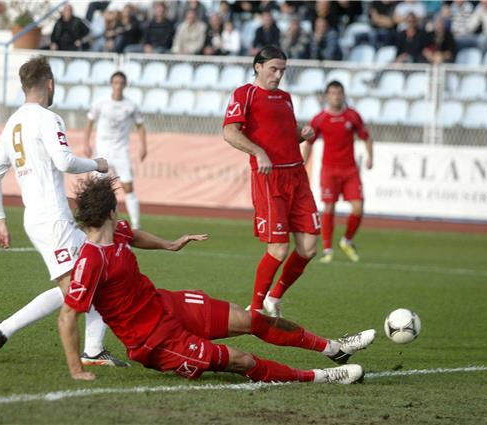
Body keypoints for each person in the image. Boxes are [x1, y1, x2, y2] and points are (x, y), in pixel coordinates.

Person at [58, 176, 376, 383]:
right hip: (153, 341)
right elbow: (68, 315)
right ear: (111, 213)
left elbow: (134, 235)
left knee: (251, 319)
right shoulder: (91, 259)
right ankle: (322, 376)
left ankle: (333, 348)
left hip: (166, 304)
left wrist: (169, 244)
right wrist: (75, 369)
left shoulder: (116, 233)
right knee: (242, 360)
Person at [0, 55, 128, 368]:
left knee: (94, 275)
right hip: (53, 218)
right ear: (49, 84)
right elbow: (64, 161)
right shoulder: (47, 118)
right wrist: (97, 164)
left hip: (38, 217)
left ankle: (90, 349)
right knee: (82, 286)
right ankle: (7, 330)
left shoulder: (13, 125)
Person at [222, 46, 319, 319]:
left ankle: (274, 297)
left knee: (309, 247)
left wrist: (303, 133)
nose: (278, 75)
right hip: (269, 178)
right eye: (273, 69)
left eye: (282, 71)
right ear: (258, 67)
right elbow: (229, 132)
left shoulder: (285, 98)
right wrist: (258, 152)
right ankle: (254, 309)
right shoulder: (245, 94)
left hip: (297, 176)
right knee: (278, 247)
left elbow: (285, 134)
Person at [306, 81, 373, 264]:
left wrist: (369, 157)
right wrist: (303, 164)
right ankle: (327, 249)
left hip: (350, 170)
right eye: (332, 93)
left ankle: (346, 240)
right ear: (327, 95)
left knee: (358, 208)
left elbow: (366, 137)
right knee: (329, 207)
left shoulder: (352, 116)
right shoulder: (319, 119)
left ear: (343, 95)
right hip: (329, 170)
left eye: (339, 93)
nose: (336, 96)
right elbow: (308, 143)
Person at [83, 71, 147, 230]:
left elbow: (140, 126)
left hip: (121, 151)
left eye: (121, 83)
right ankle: (93, 220)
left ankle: (136, 225)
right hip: (102, 151)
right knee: (96, 186)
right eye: (115, 82)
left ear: (125, 85)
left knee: (128, 187)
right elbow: (90, 122)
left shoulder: (131, 105)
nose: (118, 86)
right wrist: (86, 143)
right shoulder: (101, 103)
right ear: (111, 84)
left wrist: (143, 146)